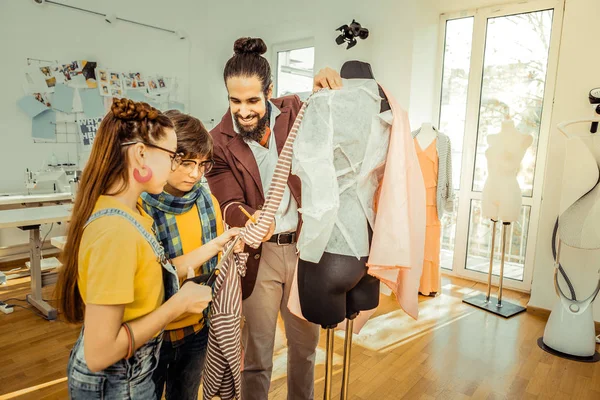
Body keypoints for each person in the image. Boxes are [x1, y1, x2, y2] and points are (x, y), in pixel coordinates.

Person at [56, 98, 225, 399]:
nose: (185, 170)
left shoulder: (131, 214)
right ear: (141, 154)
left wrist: (217, 245)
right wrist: (178, 305)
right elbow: (99, 353)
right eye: (174, 156)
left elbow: (153, 273)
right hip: (120, 384)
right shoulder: (115, 231)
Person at [205, 37, 342, 400]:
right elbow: (228, 201)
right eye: (235, 101)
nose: (244, 110)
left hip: (302, 252)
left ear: (270, 92)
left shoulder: (296, 111)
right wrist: (248, 221)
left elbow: (335, 127)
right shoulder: (217, 142)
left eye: (252, 100)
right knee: (257, 355)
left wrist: (329, 87)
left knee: (304, 348)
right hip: (259, 256)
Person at [141, 110, 243, 400]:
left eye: (202, 164)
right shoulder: (142, 205)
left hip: (196, 330)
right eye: (185, 162)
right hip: (152, 334)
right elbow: (152, 274)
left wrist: (230, 245)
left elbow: (215, 257)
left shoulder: (207, 200)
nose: (195, 173)